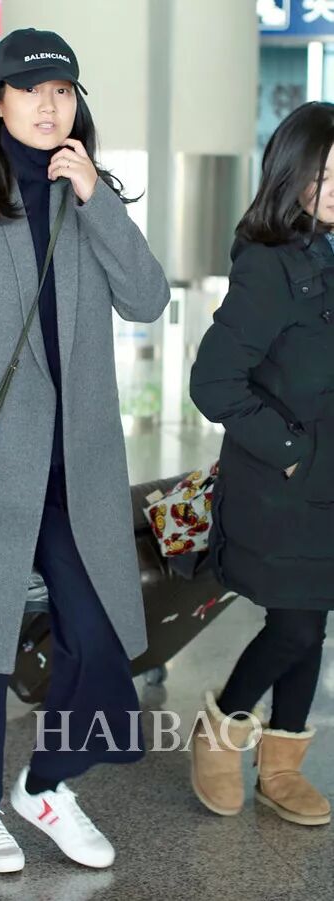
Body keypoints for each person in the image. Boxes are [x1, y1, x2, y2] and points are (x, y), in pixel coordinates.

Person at [0, 27, 170, 873]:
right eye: (30, 90)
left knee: (99, 633)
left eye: (62, 91)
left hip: (73, 466)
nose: (49, 106)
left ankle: (45, 786)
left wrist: (96, 199)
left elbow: (147, 299)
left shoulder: (90, 193)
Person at [189, 101, 334, 828]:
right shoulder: (270, 264)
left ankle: (281, 766)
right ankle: (220, 733)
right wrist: (291, 452)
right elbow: (213, 382)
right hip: (283, 487)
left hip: (326, 484)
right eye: (324, 174)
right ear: (292, 174)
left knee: (311, 619)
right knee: (297, 627)